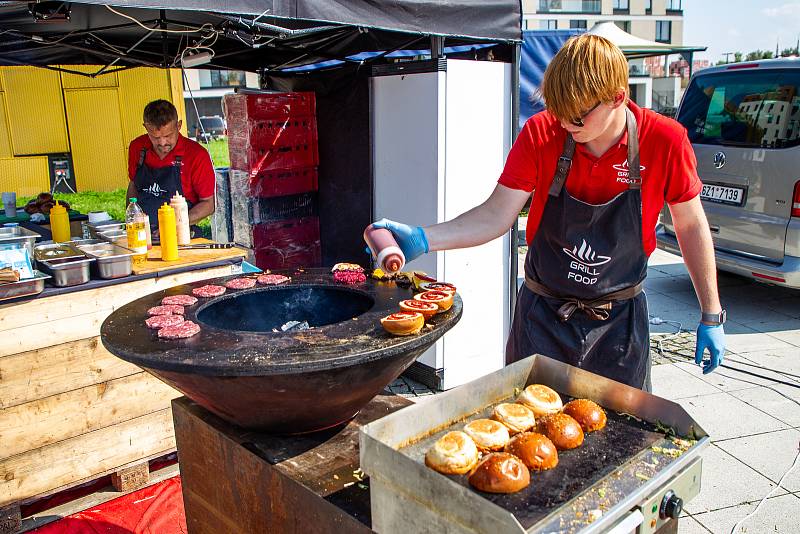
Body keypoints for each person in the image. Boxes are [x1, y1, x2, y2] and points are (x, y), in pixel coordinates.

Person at [370, 35, 725, 391]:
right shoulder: (542, 131)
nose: (565, 125)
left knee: (620, 436)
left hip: (619, 326)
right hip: (543, 319)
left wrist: (711, 313)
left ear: (618, 97)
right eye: (557, 111)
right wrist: (422, 238)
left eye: (575, 117)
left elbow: (690, 225)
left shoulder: (665, 140)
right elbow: (496, 214)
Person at [126, 100, 215, 234]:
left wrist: (174, 225)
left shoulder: (197, 155)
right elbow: (133, 185)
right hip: (143, 234)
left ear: (179, 126)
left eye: (168, 136)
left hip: (181, 234)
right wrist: (132, 219)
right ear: (145, 127)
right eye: (155, 137)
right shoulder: (137, 147)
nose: (162, 143)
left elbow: (208, 204)